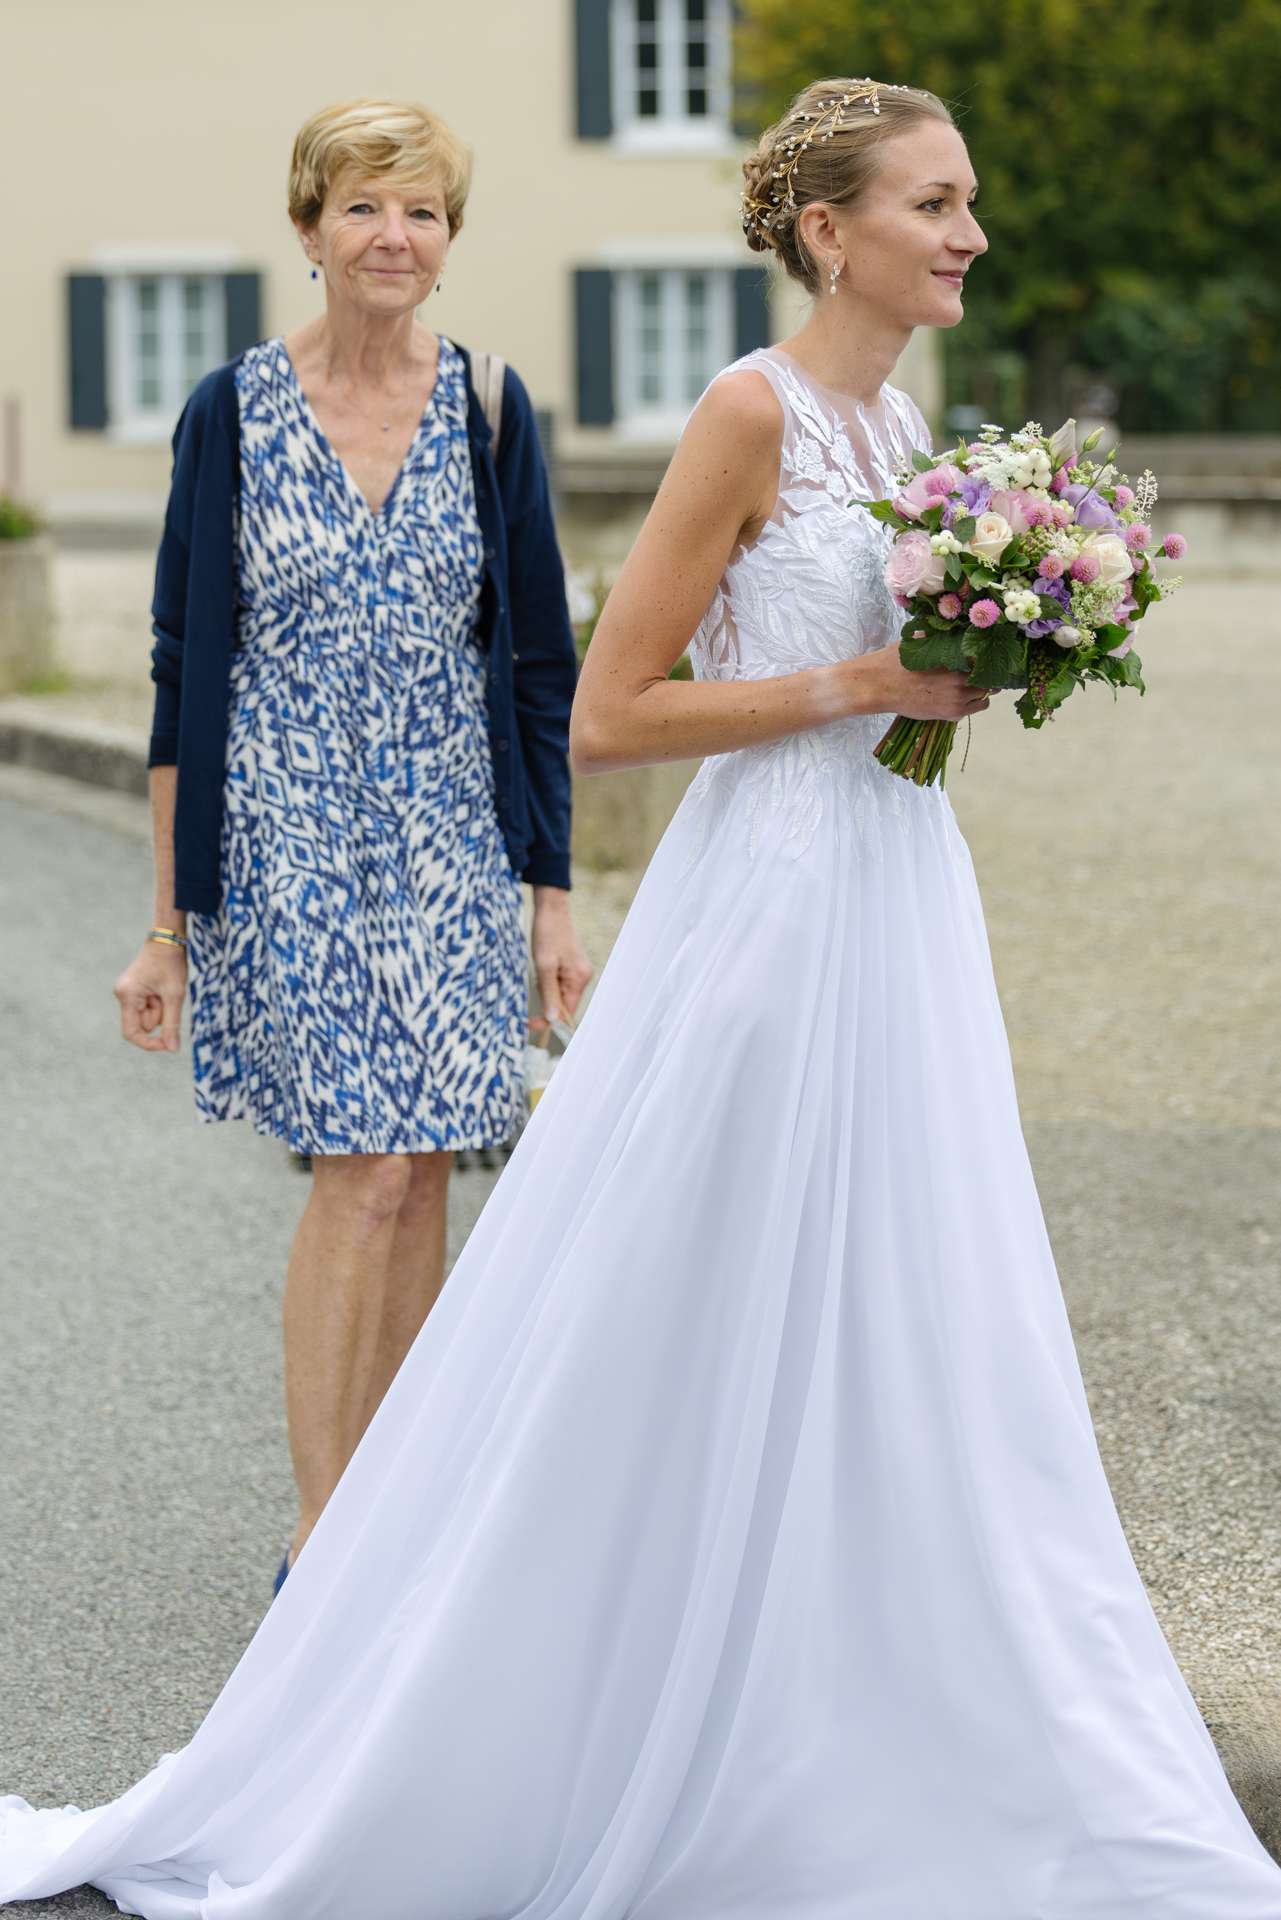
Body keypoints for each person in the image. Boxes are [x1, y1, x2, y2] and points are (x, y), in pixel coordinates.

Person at [4, 75, 1280, 1918]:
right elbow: (607, 706)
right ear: (828, 227)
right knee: (509, 1217)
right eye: (937, 202)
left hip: (875, 891)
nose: (970, 233)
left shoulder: (894, 415)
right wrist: (861, 686)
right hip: (648, 886)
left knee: (876, 1265)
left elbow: (635, 661)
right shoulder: (736, 410)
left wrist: (982, 645)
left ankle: (835, 1663)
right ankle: (400, 1588)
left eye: (970, 202)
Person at [109, 98, 592, 1593]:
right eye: (366, 208)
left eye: (425, 211)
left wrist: (548, 899)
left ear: (450, 241)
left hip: (451, 834)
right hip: (290, 831)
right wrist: (168, 923)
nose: (396, 236)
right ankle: (326, 1539)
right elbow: (185, 658)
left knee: (428, 1164)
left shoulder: (492, 406)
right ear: (309, 228)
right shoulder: (231, 410)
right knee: (358, 1167)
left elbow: (534, 666)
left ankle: (395, 1509)